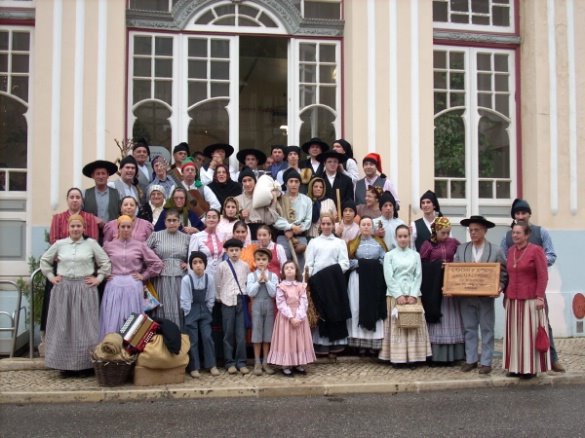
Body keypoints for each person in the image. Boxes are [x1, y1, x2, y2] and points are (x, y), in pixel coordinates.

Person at [40, 214, 111, 375]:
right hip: (64, 289)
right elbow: (44, 260)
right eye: (73, 226)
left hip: (84, 289)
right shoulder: (60, 244)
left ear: (84, 228)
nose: (76, 229)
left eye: (79, 226)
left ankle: (85, 365)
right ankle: (65, 366)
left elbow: (105, 262)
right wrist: (52, 277)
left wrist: (98, 278)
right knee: (64, 327)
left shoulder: (91, 244)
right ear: (68, 228)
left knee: (85, 329)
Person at [500, 198, 563, 372]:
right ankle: (516, 366)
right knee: (516, 332)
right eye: (517, 213)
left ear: (529, 214)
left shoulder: (540, 234)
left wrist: (538, 262)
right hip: (514, 294)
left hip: (534, 293)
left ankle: (552, 359)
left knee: (541, 327)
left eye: (523, 213)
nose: (520, 216)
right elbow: (505, 263)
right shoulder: (508, 241)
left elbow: (548, 261)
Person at [43, 188, 100, 333]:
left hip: (84, 269)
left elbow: (93, 240)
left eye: (77, 197)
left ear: (81, 200)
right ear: (67, 199)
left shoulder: (90, 218)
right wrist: (67, 252)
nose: (75, 200)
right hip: (62, 267)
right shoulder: (58, 218)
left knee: (83, 310)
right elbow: (54, 241)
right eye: (72, 197)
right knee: (60, 309)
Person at [454, 215, 507, 374]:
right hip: (466, 296)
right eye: (471, 230)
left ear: (484, 231)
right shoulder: (461, 249)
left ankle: (486, 361)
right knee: (469, 328)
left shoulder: (496, 250)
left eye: (476, 230)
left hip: (486, 297)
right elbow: (455, 272)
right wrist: (453, 286)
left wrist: (500, 285)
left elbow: (503, 272)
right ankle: (471, 359)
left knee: (487, 329)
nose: (473, 233)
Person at [100, 215, 163, 338]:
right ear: (118, 228)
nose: (126, 229)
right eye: (123, 226)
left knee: (133, 319)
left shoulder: (140, 245)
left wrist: (144, 275)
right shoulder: (109, 246)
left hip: (133, 286)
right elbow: (97, 260)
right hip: (113, 286)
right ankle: (111, 350)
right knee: (112, 318)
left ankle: (131, 352)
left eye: (128, 227)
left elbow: (157, 263)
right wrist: (103, 274)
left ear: (132, 228)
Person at [503, 221, 551, 378]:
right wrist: (505, 295)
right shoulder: (510, 251)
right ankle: (514, 367)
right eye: (513, 233)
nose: (515, 236)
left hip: (531, 299)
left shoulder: (536, 251)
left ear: (527, 235)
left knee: (528, 335)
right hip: (513, 299)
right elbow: (508, 275)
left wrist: (540, 297)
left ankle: (529, 368)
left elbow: (543, 275)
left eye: (518, 233)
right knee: (514, 336)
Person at [379, 225, 432, 365]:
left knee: (413, 326)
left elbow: (418, 276)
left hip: (413, 296)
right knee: (398, 327)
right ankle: (398, 358)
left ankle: (414, 358)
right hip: (395, 296)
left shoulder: (415, 255)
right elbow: (388, 277)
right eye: (400, 236)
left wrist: (413, 294)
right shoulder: (389, 255)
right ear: (396, 238)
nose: (403, 239)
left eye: (405, 236)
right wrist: (398, 295)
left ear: (409, 237)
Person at [419, 217, 464, 364]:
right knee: (438, 319)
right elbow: (422, 265)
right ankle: (437, 355)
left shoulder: (454, 243)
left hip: (451, 286)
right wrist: (437, 266)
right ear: (436, 231)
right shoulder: (427, 245)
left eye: (448, 233)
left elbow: (460, 258)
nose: (446, 236)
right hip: (434, 287)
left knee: (452, 316)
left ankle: (454, 354)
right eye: (443, 233)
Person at [305, 212, 350, 356]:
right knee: (320, 312)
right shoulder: (313, 242)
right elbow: (309, 263)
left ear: (333, 225)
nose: (326, 226)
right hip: (318, 282)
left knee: (334, 312)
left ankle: (334, 343)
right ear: (320, 225)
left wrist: (330, 273)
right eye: (323, 224)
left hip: (334, 282)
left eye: (329, 223)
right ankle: (321, 343)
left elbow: (344, 263)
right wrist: (309, 278)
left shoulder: (339, 242)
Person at [346, 216, 388, 353]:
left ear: (372, 227)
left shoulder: (379, 243)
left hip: (374, 279)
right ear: (360, 227)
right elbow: (348, 261)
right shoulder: (353, 243)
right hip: (358, 278)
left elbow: (385, 259)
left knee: (373, 305)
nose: (366, 227)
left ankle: (373, 344)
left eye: (368, 224)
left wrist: (371, 264)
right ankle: (360, 345)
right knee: (357, 307)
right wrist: (362, 264)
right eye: (363, 224)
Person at [268, 261, 316, 376]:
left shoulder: (301, 286)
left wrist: (298, 316)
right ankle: (286, 364)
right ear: (283, 272)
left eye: (292, 268)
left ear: (296, 271)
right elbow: (281, 303)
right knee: (286, 340)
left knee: (298, 340)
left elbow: (304, 301)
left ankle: (298, 363)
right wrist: (291, 317)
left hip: (300, 317)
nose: (289, 270)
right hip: (286, 318)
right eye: (287, 268)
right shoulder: (281, 286)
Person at [146, 208, 191, 328]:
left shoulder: (186, 238)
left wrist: (188, 264)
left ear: (179, 222)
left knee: (179, 306)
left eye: (175, 220)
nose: (172, 223)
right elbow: (143, 252)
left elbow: (193, 255)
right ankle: (164, 337)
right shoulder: (156, 236)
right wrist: (154, 263)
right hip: (161, 278)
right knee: (164, 307)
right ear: (165, 222)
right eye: (169, 220)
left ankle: (182, 338)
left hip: (180, 277)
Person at [181, 251, 220, 378]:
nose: (198, 265)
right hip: (191, 309)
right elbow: (185, 299)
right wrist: (188, 313)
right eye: (195, 263)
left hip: (204, 309)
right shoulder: (187, 279)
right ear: (191, 266)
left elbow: (210, 297)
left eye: (200, 262)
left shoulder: (209, 279)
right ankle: (194, 367)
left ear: (205, 264)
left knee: (207, 336)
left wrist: (208, 310)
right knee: (193, 339)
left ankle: (211, 364)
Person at [215, 238, 250, 374]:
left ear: (241, 251)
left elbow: (246, 282)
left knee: (241, 334)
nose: (234, 253)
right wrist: (219, 297)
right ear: (227, 251)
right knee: (228, 333)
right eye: (231, 250)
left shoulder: (245, 266)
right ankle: (229, 362)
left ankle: (241, 362)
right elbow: (218, 282)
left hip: (241, 300)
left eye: (237, 250)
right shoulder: (222, 266)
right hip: (227, 300)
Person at [247, 248, 278, 375]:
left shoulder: (273, 276)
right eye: (258, 259)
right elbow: (250, 292)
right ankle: (257, 363)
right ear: (255, 261)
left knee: (267, 335)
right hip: (257, 305)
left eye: (264, 259)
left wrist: (267, 281)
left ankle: (266, 361)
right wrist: (259, 282)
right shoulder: (251, 275)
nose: (261, 262)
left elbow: (274, 293)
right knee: (257, 334)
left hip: (269, 305)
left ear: (268, 261)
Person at [274, 168, 312, 269]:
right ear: (286, 184)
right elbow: (275, 219)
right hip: (283, 237)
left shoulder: (307, 200)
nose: (294, 184)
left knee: (301, 267)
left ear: (300, 183)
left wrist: (296, 230)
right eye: (291, 181)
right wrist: (289, 227)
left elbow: (308, 221)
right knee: (284, 267)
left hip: (300, 238)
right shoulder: (279, 200)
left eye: (296, 181)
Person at [234, 167, 279, 240]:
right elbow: (232, 219)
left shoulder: (263, 197)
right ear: (241, 183)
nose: (247, 184)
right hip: (246, 232)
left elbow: (271, 220)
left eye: (250, 180)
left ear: (254, 181)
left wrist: (274, 201)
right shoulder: (237, 200)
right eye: (244, 181)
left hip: (263, 232)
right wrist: (240, 215)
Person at [82, 160, 120, 228]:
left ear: (108, 175)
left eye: (103, 173)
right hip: (91, 232)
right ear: (93, 176)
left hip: (112, 233)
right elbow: (80, 213)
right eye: (98, 174)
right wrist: (93, 219)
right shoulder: (85, 193)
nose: (101, 176)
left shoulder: (117, 193)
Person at [189, 209, 225, 278]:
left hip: (220, 276)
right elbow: (191, 260)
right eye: (208, 217)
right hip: (203, 276)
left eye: (214, 217)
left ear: (219, 220)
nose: (211, 219)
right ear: (205, 220)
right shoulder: (197, 237)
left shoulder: (223, 236)